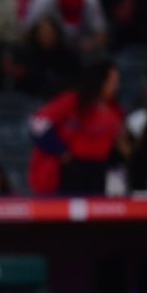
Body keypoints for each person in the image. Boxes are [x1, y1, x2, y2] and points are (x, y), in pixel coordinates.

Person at [28, 56, 124, 195]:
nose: (115, 85)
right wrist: (59, 150)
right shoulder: (73, 101)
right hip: (72, 169)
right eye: (111, 81)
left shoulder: (116, 110)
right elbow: (37, 124)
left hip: (101, 171)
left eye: (116, 81)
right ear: (98, 80)